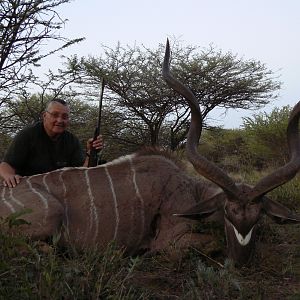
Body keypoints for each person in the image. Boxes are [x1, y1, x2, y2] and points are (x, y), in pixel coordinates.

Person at [0, 99, 103, 188]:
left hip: (58, 188)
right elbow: (6, 164)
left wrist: (91, 152)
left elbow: (81, 171)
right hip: (30, 189)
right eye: (55, 115)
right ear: (45, 115)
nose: (60, 120)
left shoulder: (71, 140)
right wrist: (9, 176)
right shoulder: (27, 135)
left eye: (64, 117)